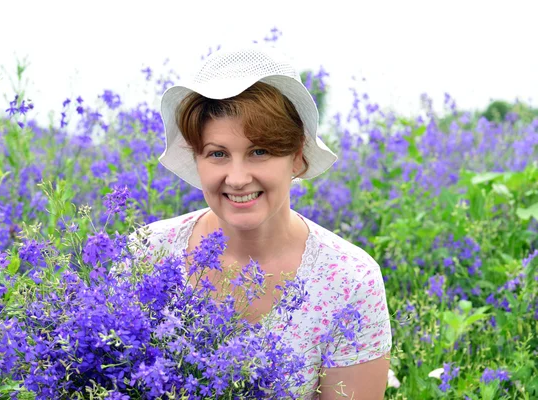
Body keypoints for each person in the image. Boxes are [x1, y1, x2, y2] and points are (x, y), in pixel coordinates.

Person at [129, 44, 392, 399]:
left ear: (297, 158)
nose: (237, 178)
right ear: (197, 160)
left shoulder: (349, 280)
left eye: (259, 152)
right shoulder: (147, 252)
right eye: (218, 154)